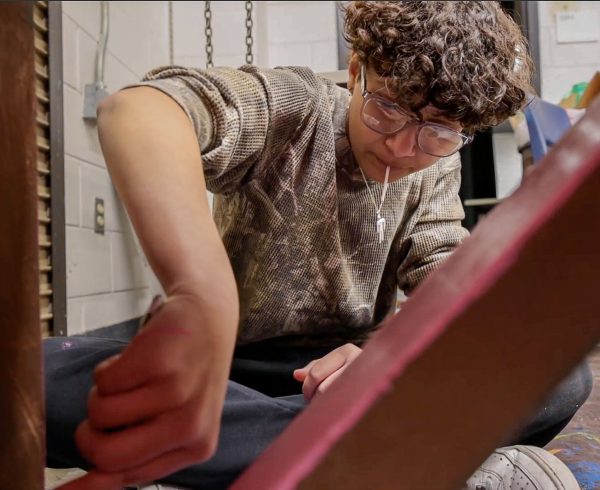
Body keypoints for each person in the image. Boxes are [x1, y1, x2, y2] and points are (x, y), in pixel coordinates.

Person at [45, 2, 592, 489]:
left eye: (439, 132)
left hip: (344, 381)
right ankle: (384, 462)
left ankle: (257, 455)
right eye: (388, 109)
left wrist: (387, 364)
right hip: (222, 364)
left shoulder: (435, 169)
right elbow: (141, 109)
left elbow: (452, 285)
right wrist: (201, 295)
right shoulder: (297, 107)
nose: (403, 147)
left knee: (559, 377)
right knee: (33, 380)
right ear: (356, 73)